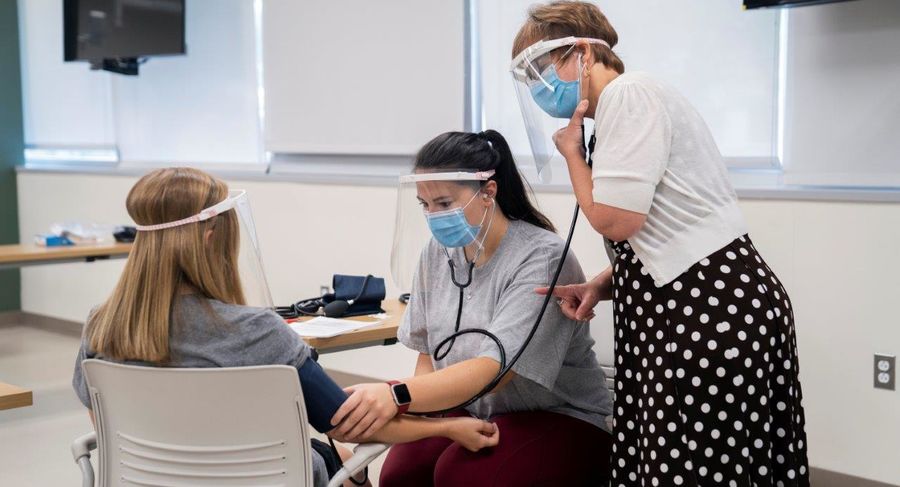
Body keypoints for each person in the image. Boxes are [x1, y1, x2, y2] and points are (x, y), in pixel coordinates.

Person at [511, 2, 810, 486]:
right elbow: (667, 229)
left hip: (709, 313)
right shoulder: (618, 109)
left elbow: (616, 220)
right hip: (687, 306)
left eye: (542, 70)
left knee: (697, 467)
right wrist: (603, 285)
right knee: (678, 460)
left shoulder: (630, 94)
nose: (539, 87)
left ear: (583, 52)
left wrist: (571, 156)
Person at [71, 167, 500, 487]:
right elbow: (348, 423)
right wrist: (445, 427)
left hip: (148, 478)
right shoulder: (257, 331)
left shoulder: (102, 326)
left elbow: (106, 423)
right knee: (342, 461)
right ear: (209, 238)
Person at [329, 131, 614, 486]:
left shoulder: (542, 256)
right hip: (476, 409)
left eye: (445, 204)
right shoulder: (436, 254)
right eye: (425, 205)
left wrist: (395, 395)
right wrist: (414, 415)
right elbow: (428, 354)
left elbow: (493, 371)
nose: (433, 216)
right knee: (402, 475)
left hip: (561, 416)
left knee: (459, 476)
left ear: (488, 192)